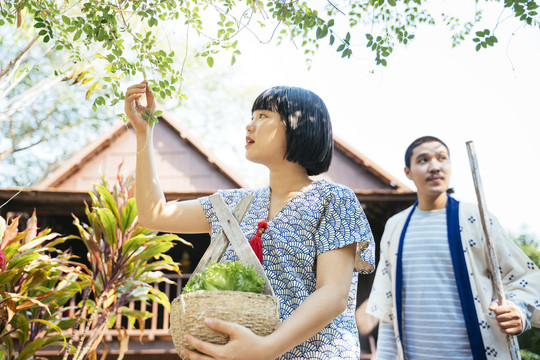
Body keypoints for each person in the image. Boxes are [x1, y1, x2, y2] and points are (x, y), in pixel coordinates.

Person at [124, 82, 376, 360]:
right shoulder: (230, 205)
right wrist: (143, 133)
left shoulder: (333, 199)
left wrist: (265, 349)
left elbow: (333, 294)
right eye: (251, 116)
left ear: (299, 126)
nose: (249, 125)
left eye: (263, 116)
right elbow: (154, 214)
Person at [367, 135, 540, 359]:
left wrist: (519, 312)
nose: (435, 166)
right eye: (423, 160)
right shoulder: (395, 227)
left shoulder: (477, 218)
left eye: (442, 158)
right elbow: (388, 307)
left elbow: (525, 277)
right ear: (407, 172)